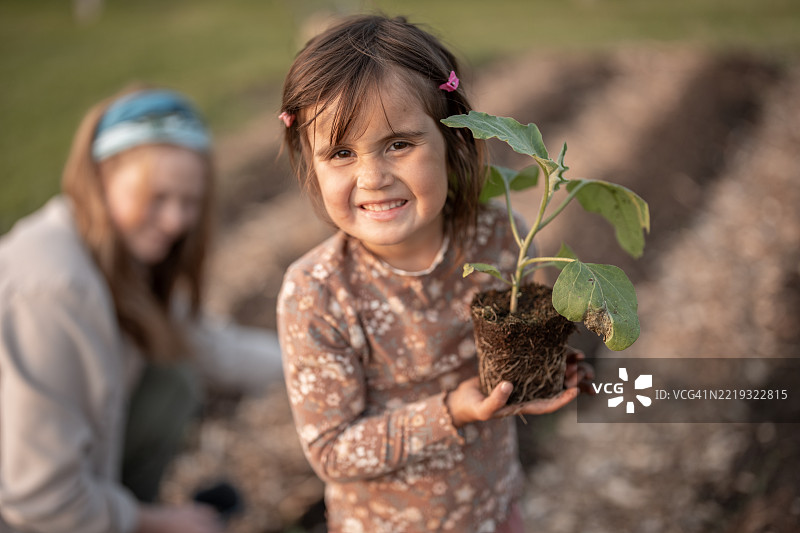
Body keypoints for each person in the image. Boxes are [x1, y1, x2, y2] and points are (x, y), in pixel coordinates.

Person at [276, 15, 592, 533]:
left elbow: (511, 360)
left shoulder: (498, 237)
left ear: (456, 142)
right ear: (311, 166)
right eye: (341, 153)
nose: (373, 177)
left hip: (494, 509)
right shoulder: (317, 292)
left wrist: (544, 371)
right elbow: (331, 451)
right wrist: (453, 412)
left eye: (399, 143)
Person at [0, 86, 284, 533]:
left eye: (189, 202)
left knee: (171, 376)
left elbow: (210, 346)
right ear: (99, 178)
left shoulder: (121, 261)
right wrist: (157, 523)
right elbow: (36, 499)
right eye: (156, 197)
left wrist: (319, 362)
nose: (175, 221)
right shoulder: (56, 290)